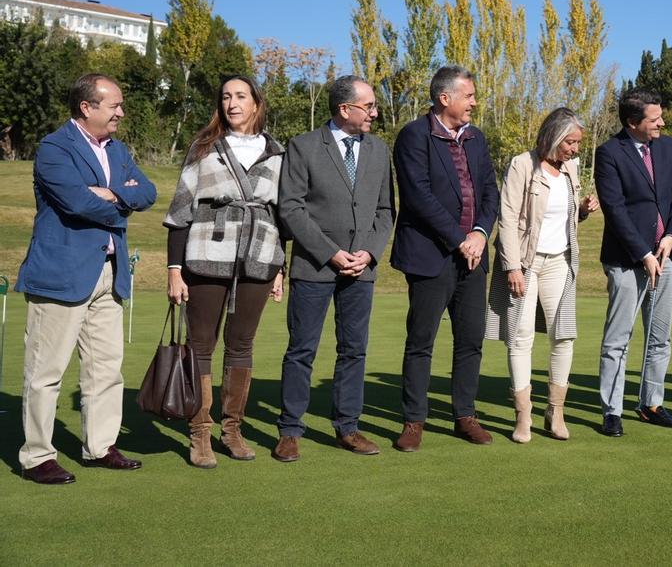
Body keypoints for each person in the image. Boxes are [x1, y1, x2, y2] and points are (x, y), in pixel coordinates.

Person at [16, 73, 157, 484]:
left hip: (109, 274)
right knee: (46, 372)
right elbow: (76, 202)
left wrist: (112, 195)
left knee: (106, 369)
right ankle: (37, 456)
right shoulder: (54, 147)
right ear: (87, 107)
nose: (121, 112)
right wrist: (117, 199)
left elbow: (147, 192)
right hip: (61, 275)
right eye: (114, 105)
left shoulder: (119, 148)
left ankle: (99, 447)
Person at [163, 75, 286, 468]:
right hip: (205, 253)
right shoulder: (204, 147)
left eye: (241, 96)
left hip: (261, 255)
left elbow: (285, 214)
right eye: (226, 97)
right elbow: (180, 210)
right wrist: (174, 268)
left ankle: (232, 429)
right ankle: (200, 431)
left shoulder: (278, 151)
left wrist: (281, 267)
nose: (232, 103)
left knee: (242, 343)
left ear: (256, 103)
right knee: (201, 345)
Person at [272, 75, 396, 462]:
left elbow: (385, 211)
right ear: (346, 109)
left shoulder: (379, 151)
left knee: (354, 350)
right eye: (369, 106)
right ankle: (290, 430)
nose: (375, 113)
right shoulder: (304, 147)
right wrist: (330, 253)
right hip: (314, 267)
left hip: (362, 269)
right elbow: (290, 208)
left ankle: (348, 427)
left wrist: (369, 253)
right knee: (301, 350)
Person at [391, 66, 499, 452]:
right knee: (422, 341)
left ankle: (464, 415)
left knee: (470, 340)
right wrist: (459, 240)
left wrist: (480, 234)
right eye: (468, 95)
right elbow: (418, 197)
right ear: (445, 98)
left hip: (473, 256)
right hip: (430, 256)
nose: (473, 102)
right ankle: (413, 420)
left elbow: (490, 191)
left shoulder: (475, 137)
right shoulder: (414, 136)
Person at [485, 108, 599, 443]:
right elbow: (507, 218)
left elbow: (561, 217)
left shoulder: (572, 168)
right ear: (553, 136)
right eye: (571, 142)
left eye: (578, 142)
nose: (575, 149)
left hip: (561, 261)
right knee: (521, 336)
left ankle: (556, 411)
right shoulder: (522, 164)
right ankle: (524, 415)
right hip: (525, 262)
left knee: (563, 336)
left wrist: (583, 211)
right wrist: (513, 266)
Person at [593, 88, 672, 437]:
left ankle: (651, 403)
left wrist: (671, 237)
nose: (662, 122)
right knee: (618, 339)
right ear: (633, 123)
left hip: (666, 255)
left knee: (660, 338)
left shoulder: (668, 146)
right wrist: (644, 254)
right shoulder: (609, 153)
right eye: (655, 118)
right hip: (626, 260)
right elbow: (615, 210)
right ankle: (612, 410)